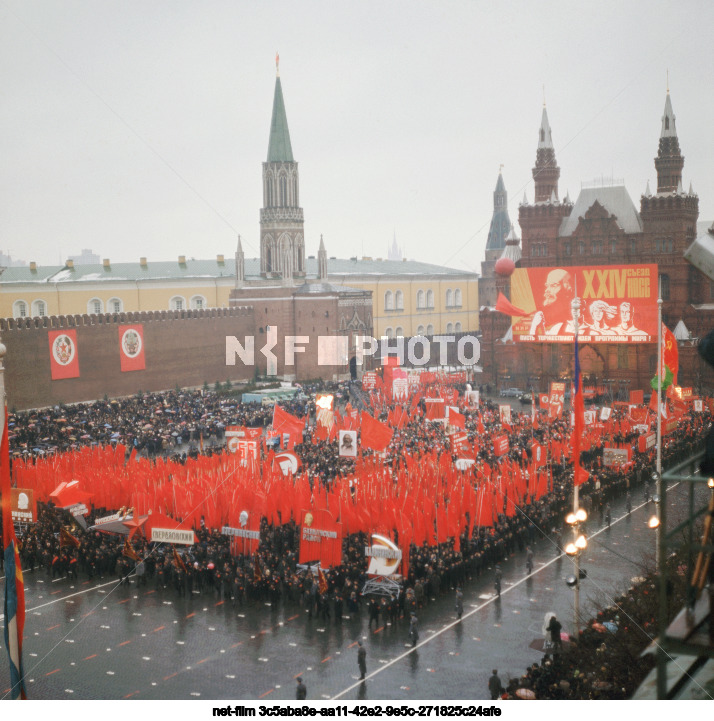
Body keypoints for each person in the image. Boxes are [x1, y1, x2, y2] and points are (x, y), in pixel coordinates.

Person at [528, 269, 575, 336]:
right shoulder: (542, 316)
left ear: (568, 289)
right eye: (547, 286)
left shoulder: (571, 320)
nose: (547, 290)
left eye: (553, 285)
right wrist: (534, 327)